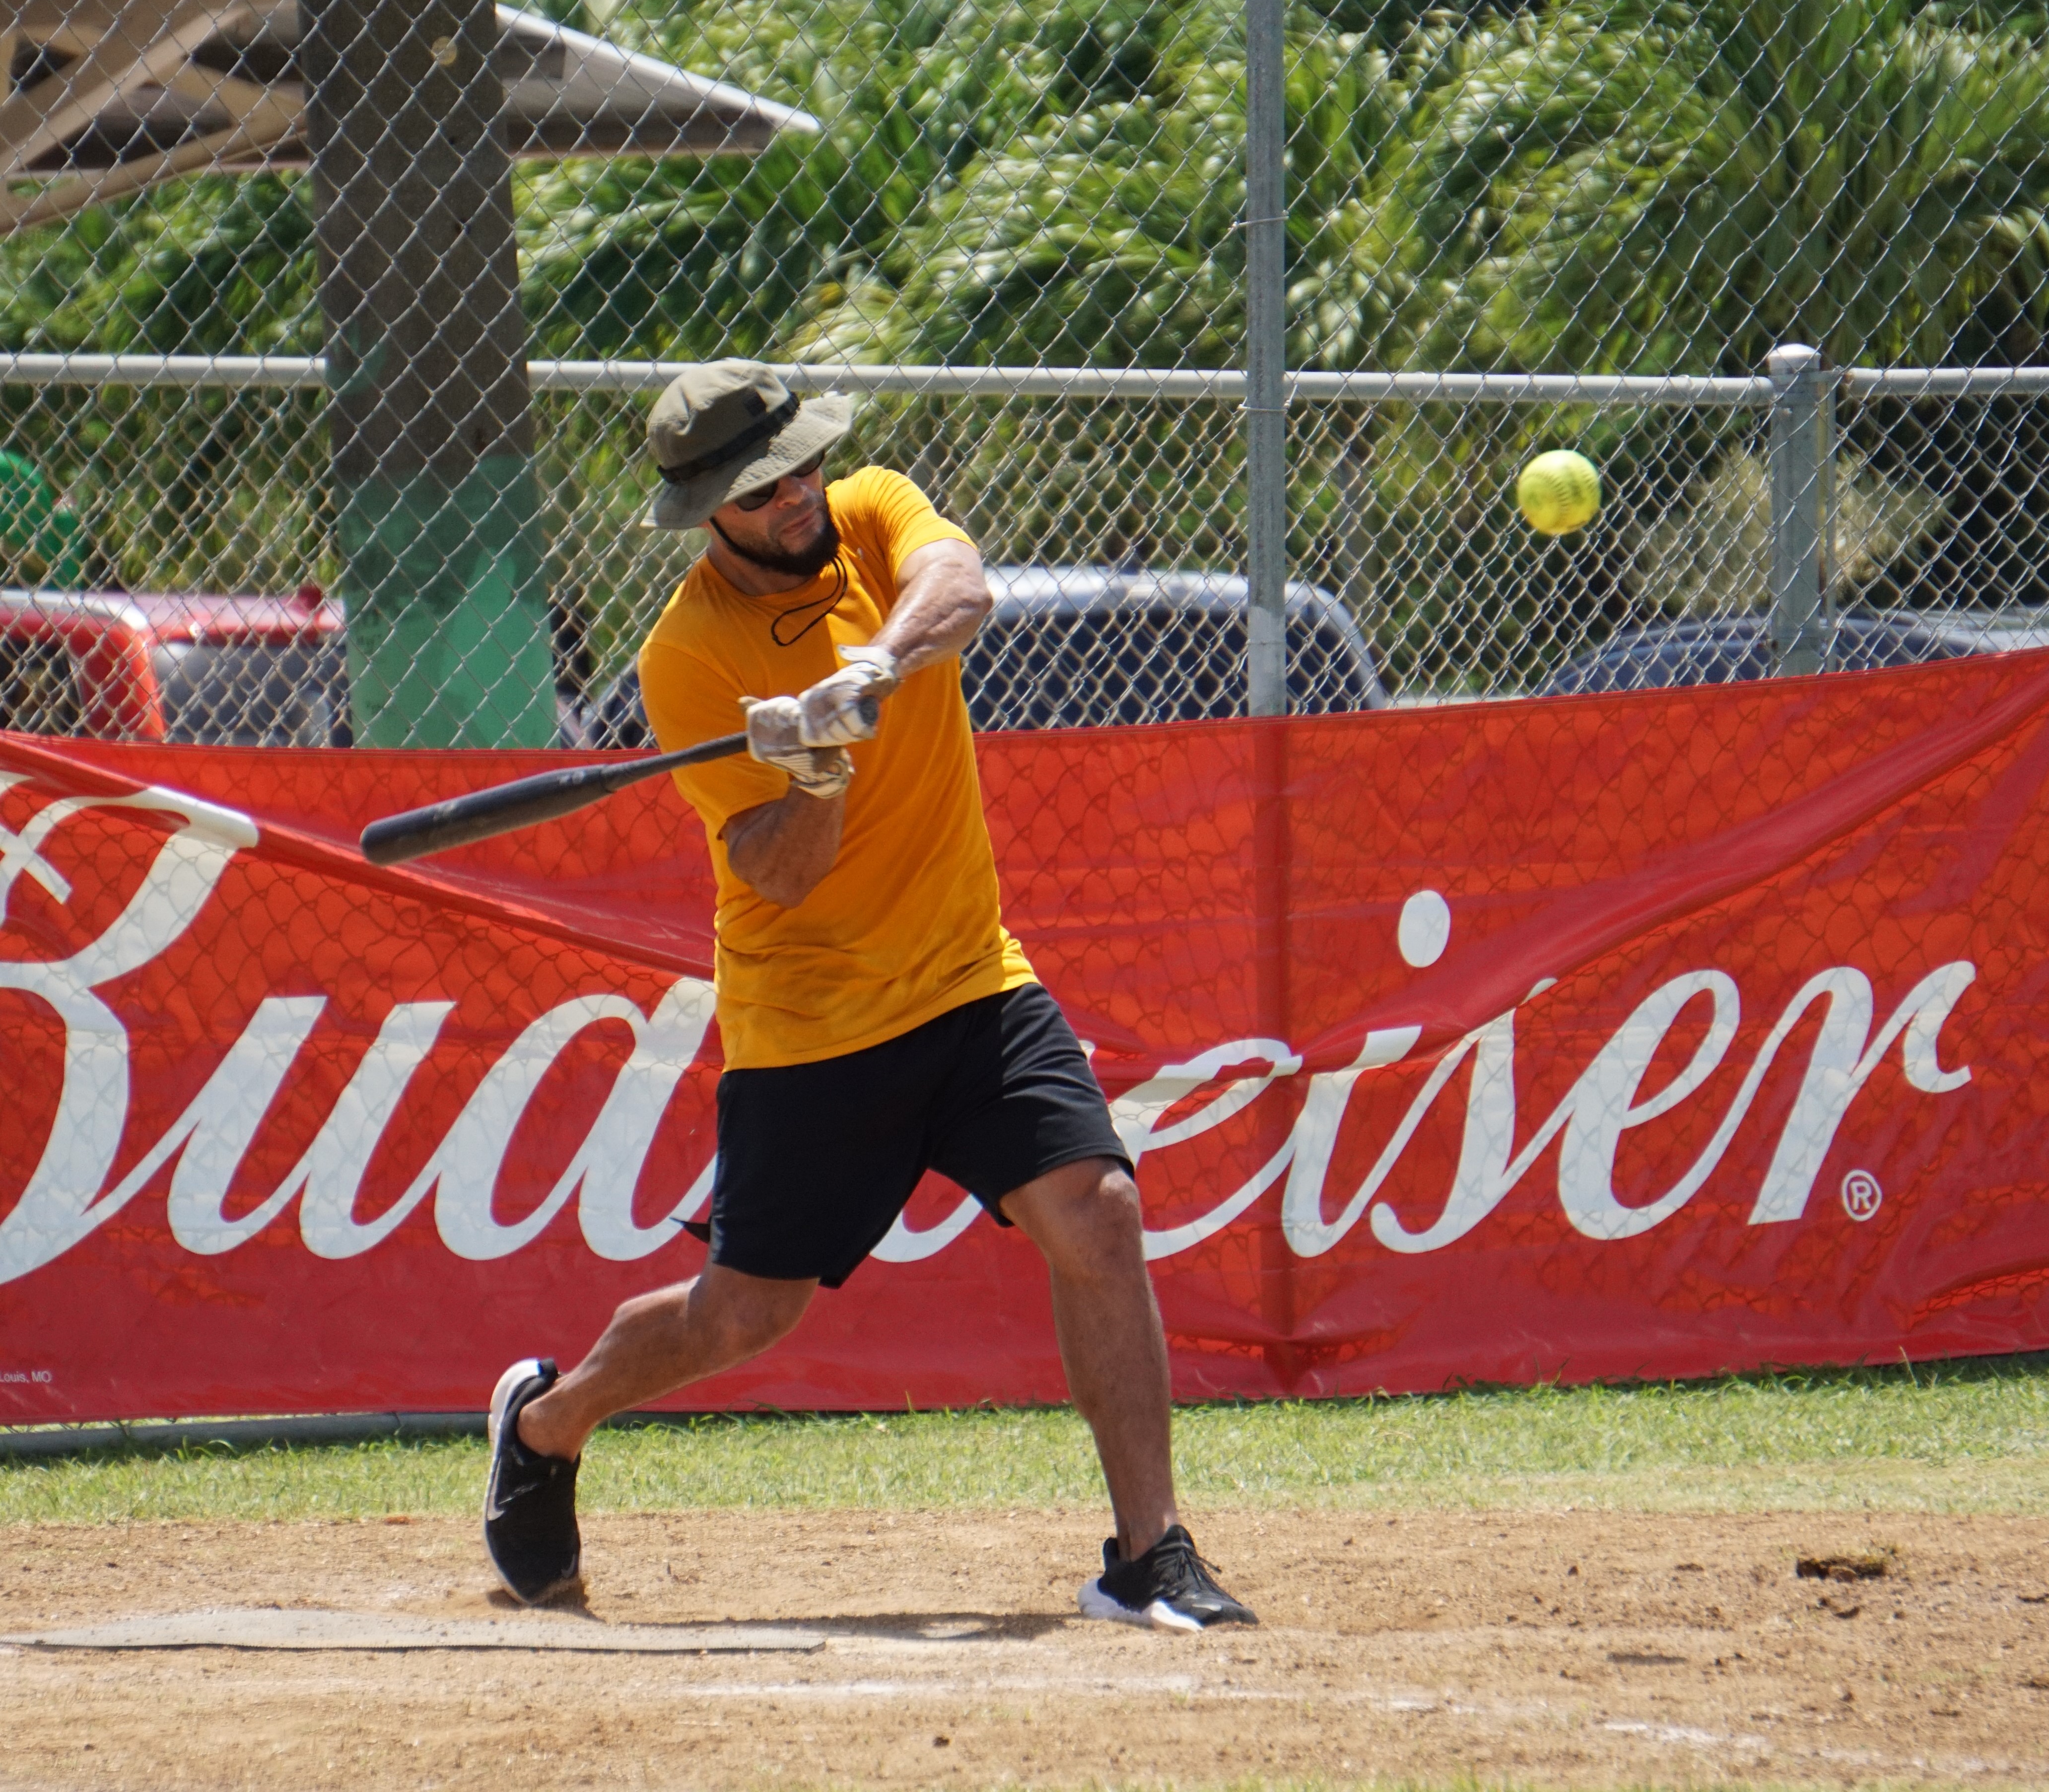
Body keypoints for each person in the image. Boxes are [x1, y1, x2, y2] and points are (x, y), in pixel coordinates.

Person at [481, 360, 1255, 1633]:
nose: (795, 496)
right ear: (705, 513)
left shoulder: (875, 513)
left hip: (970, 979)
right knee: (745, 1313)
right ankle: (549, 1420)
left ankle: (1147, 1553)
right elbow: (780, 876)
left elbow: (962, 589)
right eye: (760, 488)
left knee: (1100, 1212)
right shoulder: (687, 657)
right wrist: (817, 770)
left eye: (797, 467)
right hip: (816, 1027)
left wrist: (871, 669)